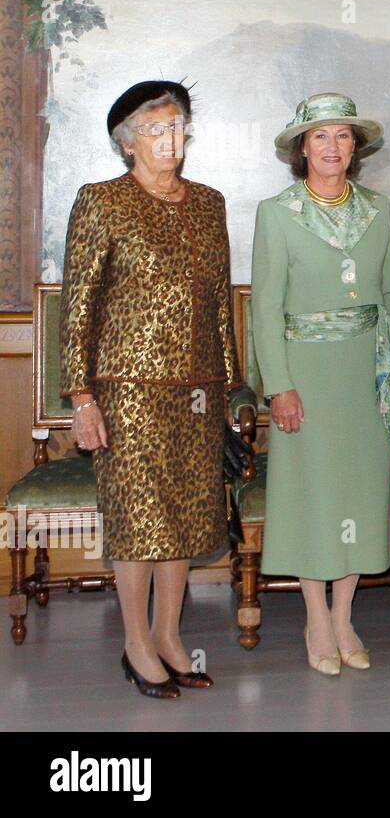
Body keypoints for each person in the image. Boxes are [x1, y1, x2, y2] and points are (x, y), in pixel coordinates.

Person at [62, 80, 250, 698]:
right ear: (127, 142)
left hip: (198, 389)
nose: (170, 139)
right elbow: (79, 308)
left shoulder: (208, 203)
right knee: (140, 518)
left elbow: (221, 305)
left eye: (178, 126)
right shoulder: (100, 201)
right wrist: (81, 396)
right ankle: (135, 643)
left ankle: (170, 635)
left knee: (189, 517)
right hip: (127, 389)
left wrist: (227, 390)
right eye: (155, 128)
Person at [251, 92, 390, 675]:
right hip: (305, 373)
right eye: (320, 136)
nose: (333, 146)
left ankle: (346, 614)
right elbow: (265, 309)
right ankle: (315, 618)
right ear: (302, 148)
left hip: (366, 376)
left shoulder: (377, 209)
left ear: (356, 149)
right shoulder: (276, 213)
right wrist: (279, 385)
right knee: (313, 494)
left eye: (343, 136)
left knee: (355, 490)